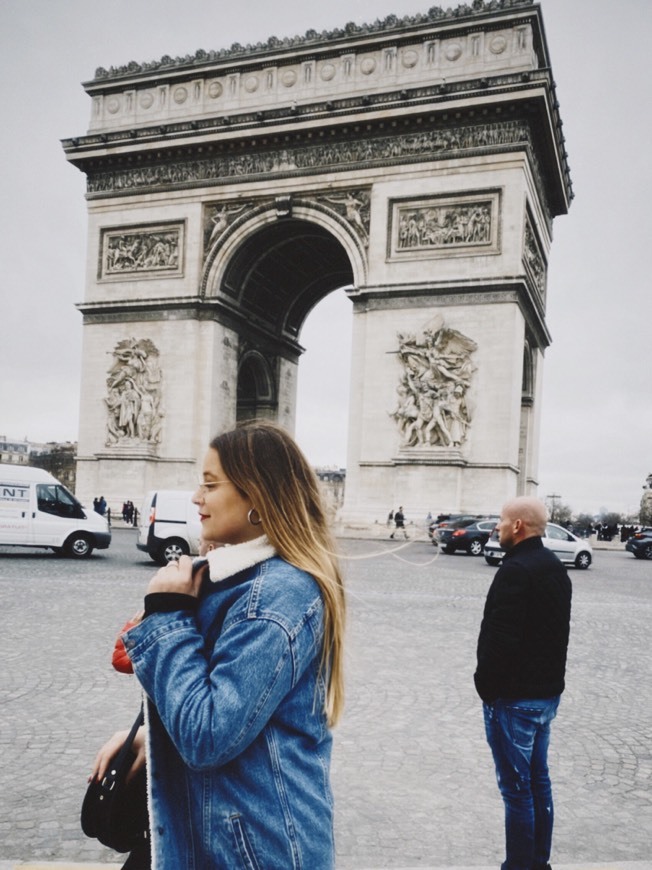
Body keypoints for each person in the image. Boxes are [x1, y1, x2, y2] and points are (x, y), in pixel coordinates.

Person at [92, 421, 346, 869]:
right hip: (219, 832)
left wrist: (169, 614)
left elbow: (208, 737)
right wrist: (150, 737)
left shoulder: (275, 596)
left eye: (210, 484)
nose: (196, 497)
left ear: (257, 497)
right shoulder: (238, 580)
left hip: (250, 849)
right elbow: (243, 715)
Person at [474, 496, 572, 870]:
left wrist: (486, 686)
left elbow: (501, 639)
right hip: (545, 696)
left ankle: (518, 866)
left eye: (500, 520)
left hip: (514, 700)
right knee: (538, 783)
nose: (496, 527)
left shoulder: (515, 570)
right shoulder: (553, 566)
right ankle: (538, 862)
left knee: (517, 792)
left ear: (518, 526)